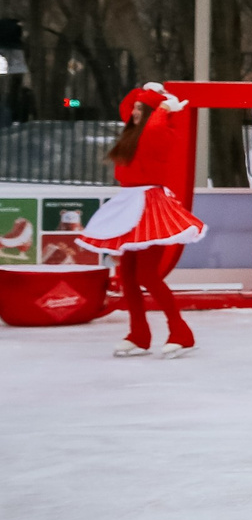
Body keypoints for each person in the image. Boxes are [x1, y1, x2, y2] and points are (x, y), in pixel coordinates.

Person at [77, 83, 209, 357]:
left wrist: (162, 106)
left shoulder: (160, 132)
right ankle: (139, 334)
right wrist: (142, 91)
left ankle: (180, 332)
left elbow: (155, 127)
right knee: (127, 275)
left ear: (152, 112)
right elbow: (127, 108)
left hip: (150, 205)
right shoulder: (135, 132)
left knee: (147, 274)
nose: (134, 112)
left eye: (140, 109)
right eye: (136, 108)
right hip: (130, 203)